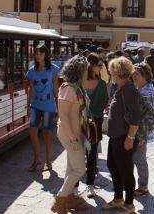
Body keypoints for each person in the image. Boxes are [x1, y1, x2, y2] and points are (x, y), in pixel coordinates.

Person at [51, 55, 91, 214]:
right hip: (70, 135)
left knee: (71, 168)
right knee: (80, 169)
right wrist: (73, 139)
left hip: (77, 133)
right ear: (79, 71)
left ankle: (67, 199)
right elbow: (63, 115)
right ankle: (60, 199)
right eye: (86, 70)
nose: (88, 73)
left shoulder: (77, 87)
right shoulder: (68, 88)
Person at [102, 57, 141, 213]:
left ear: (118, 72)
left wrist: (130, 138)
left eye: (111, 71)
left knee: (125, 171)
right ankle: (118, 199)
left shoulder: (129, 90)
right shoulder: (120, 88)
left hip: (125, 137)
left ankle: (129, 204)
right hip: (115, 136)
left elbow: (135, 117)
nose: (110, 73)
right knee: (113, 166)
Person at [76, 54, 109, 198]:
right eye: (99, 65)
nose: (101, 68)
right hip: (86, 123)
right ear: (92, 66)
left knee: (86, 155)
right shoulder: (80, 84)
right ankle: (80, 185)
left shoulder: (99, 84)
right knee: (82, 155)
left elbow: (103, 105)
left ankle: (85, 185)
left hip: (88, 123)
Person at [25, 44, 60, 172]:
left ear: (46, 54)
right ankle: (36, 159)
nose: (38, 56)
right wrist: (29, 105)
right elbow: (31, 89)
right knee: (32, 131)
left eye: (40, 53)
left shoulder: (53, 69)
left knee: (46, 132)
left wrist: (60, 106)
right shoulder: (31, 71)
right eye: (36, 53)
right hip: (35, 105)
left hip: (48, 105)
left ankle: (49, 161)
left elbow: (56, 90)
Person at [131, 63, 154, 197]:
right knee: (136, 159)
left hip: (141, 132)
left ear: (145, 76)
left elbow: (149, 117)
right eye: (133, 73)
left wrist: (141, 136)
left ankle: (143, 187)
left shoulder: (146, 91)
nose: (134, 76)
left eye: (137, 74)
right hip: (137, 131)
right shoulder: (141, 88)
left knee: (140, 160)